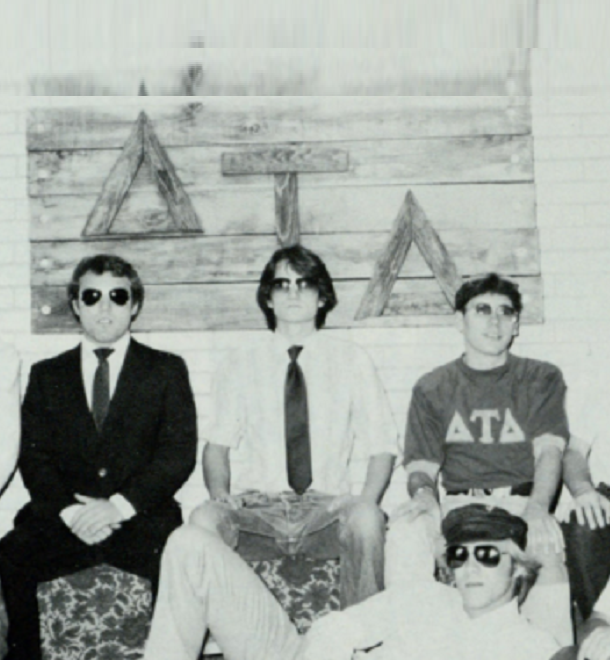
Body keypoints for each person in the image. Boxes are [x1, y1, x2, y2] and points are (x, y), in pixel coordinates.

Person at [167, 244, 397, 611]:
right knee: (204, 519)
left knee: (368, 518)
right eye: (282, 284)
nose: (293, 292)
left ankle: (364, 638)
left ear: (322, 297)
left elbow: (382, 445)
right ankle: (228, 638)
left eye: (304, 284)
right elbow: (217, 445)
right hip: (260, 510)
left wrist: (365, 499)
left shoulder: (352, 359)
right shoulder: (240, 362)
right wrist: (219, 492)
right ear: (268, 298)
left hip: (326, 509)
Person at [0, 254, 198, 660]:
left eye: (117, 296)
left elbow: (178, 454)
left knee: (181, 558)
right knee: (10, 553)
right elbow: (34, 459)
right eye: (92, 296)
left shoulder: (166, 370)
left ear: (135, 305)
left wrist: (119, 507)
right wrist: (72, 513)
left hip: (141, 521)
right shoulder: (46, 375)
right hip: (65, 521)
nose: (104, 307)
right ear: (76, 305)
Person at [384, 272, 572, 645]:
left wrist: (538, 508)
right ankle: (408, 647)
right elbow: (421, 465)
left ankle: (554, 653)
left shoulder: (541, 377)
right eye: (482, 310)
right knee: (406, 531)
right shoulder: (433, 385)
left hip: (519, 500)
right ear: (460, 320)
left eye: (506, 312)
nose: (495, 321)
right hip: (459, 501)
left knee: (546, 543)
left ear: (516, 323)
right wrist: (425, 498)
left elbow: (550, 451)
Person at [143, 503, 560, 660]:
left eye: (487, 555)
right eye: (459, 554)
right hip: (296, 655)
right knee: (190, 543)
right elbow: (335, 627)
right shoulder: (426, 596)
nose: (469, 566)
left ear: (519, 567)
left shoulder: (531, 649)